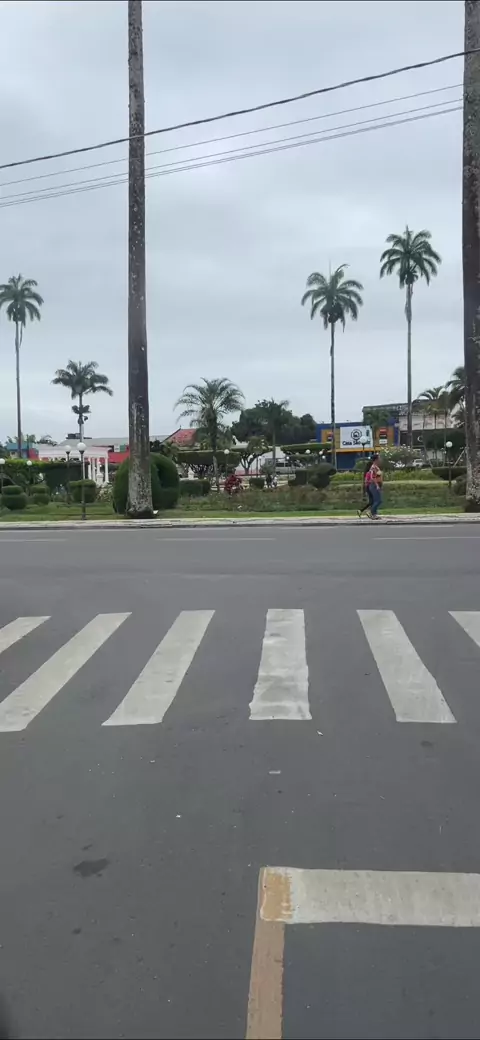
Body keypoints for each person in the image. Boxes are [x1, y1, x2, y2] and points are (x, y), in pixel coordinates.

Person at [367, 452, 383, 519]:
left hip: (375, 485)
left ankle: (374, 515)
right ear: (376, 459)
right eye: (379, 458)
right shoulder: (373, 467)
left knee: (376, 500)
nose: (380, 459)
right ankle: (370, 512)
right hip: (373, 485)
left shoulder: (376, 467)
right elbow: (372, 477)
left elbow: (378, 476)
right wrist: (377, 485)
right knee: (378, 500)